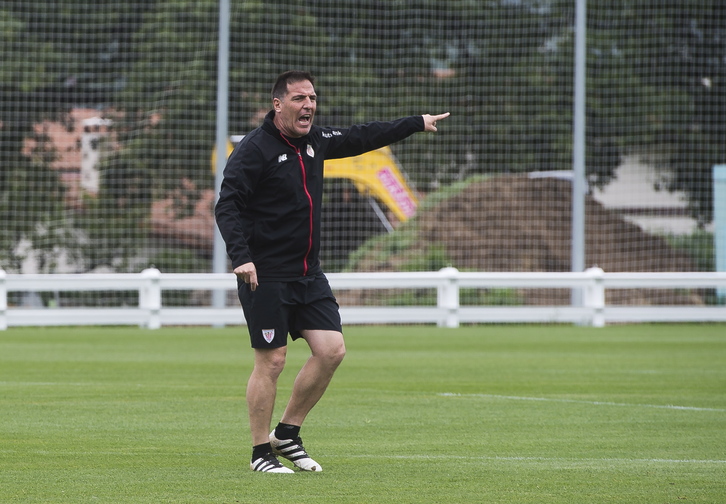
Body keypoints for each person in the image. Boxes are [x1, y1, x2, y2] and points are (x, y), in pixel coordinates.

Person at [215, 70, 449, 473]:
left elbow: (363, 136)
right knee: (271, 362)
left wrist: (415, 122)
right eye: (299, 99)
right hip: (265, 274)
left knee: (332, 350)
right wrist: (241, 257)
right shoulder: (254, 150)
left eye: (312, 98)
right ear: (278, 104)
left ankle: (287, 433)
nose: (308, 105)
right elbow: (227, 206)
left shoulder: (316, 142)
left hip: (308, 274)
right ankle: (260, 452)